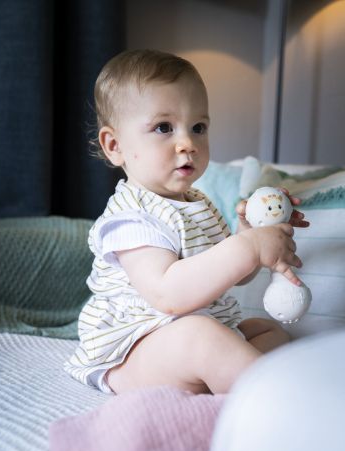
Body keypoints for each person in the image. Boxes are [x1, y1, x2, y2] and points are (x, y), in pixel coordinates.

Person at [64, 49, 309, 395]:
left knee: (269, 331)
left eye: (198, 128)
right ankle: (271, 398)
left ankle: (226, 377)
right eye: (164, 127)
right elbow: (168, 294)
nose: (188, 143)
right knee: (201, 337)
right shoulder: (130, 216)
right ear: (115, 145)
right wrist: (247, 247)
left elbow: (233, 275)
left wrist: (253, 233)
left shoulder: (198, 203)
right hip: (135, 349)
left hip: (193, 332)